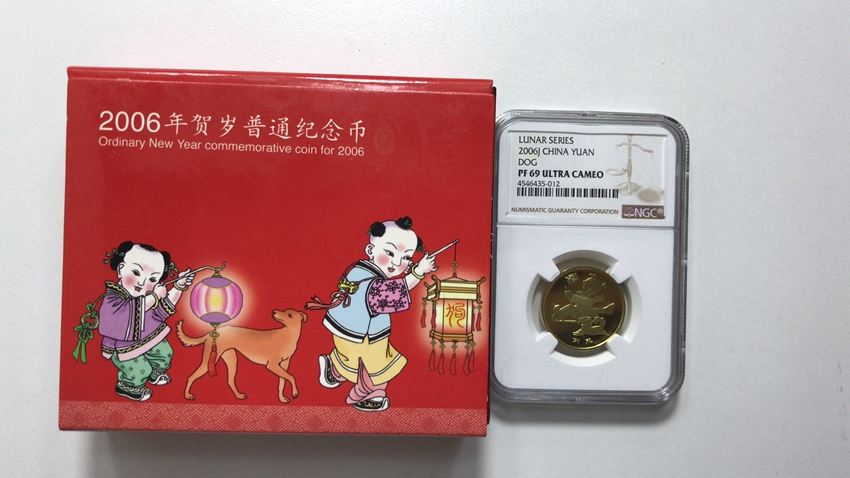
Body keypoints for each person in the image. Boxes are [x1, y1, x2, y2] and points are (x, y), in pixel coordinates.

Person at [310, 217, 437, 412]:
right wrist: (418, 272)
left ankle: (333, 370)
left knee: (351, 360)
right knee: (378, 368)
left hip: (343, 331)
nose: (396, 262)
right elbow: (397, 290)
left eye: (406, 258)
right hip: (363, 337)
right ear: (370, 250)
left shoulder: (357, 269)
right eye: (389, 253)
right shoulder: (373, 283)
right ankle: (370, 396)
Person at [99, 241, 194, 401]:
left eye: (152, 278)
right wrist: (154, 296)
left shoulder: (148, 298)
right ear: (121, 270)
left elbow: (164, 307)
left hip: (149, 336)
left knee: (165, 353)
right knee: (139, 369)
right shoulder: (112, 298)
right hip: (123, 347)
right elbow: (124, 314)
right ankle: (129, 387)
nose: (142, 282)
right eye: (136, 272)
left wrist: (178, 286)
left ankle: (156, 373)